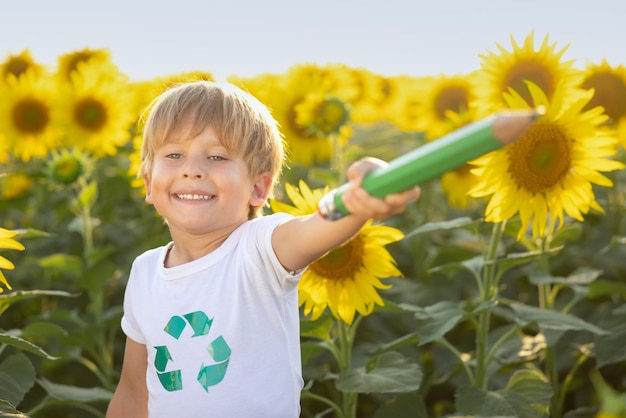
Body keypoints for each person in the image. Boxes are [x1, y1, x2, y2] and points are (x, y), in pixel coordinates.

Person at [106, 80, 420, 418]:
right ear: (148, 183)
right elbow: (134, 394)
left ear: (258, 188)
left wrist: (364, 197)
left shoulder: (260, 250)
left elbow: (312, 230)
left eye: (216, 156)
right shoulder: (144, 272)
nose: (192, 169)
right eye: (173, 154)